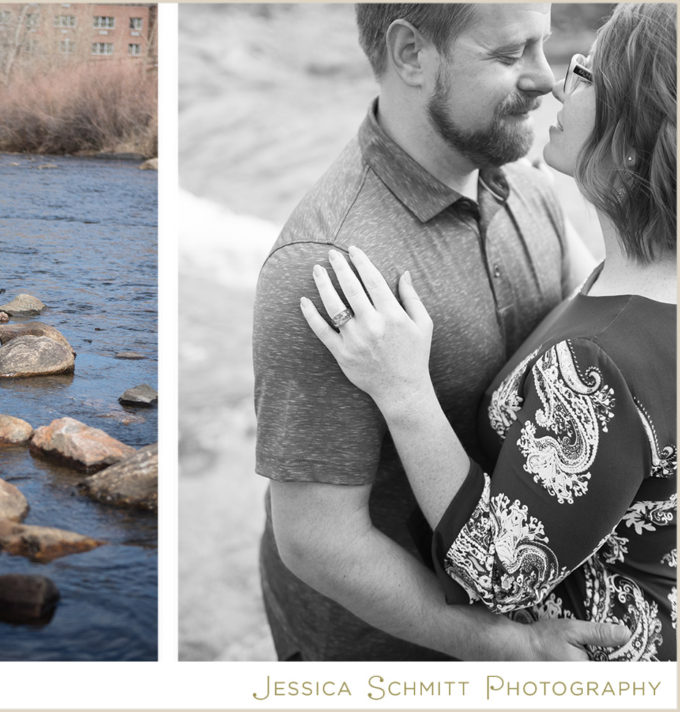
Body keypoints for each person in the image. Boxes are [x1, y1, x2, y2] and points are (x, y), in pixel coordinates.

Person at [252, 3, 631, 661]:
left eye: (544, 46)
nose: (546, 79)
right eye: (511, 55)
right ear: (411, 55)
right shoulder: (328, 263)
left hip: (518, 600)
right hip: (389, 655)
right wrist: (509, 649)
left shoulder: (526, 178)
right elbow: (317, 541)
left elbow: (609, 326)